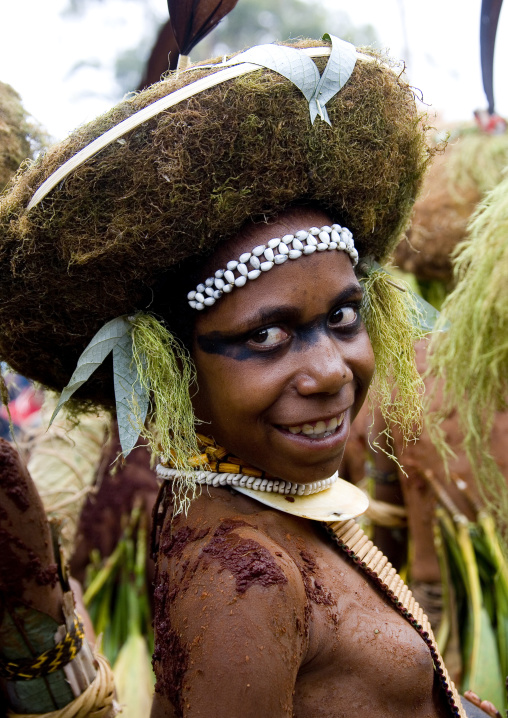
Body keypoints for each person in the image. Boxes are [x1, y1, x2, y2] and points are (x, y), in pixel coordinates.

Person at [0, 36, 500, 718]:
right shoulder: (245, 576)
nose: (329, 371)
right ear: (172, 367)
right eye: (265, 336)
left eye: (345, 317)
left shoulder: (273, 506)